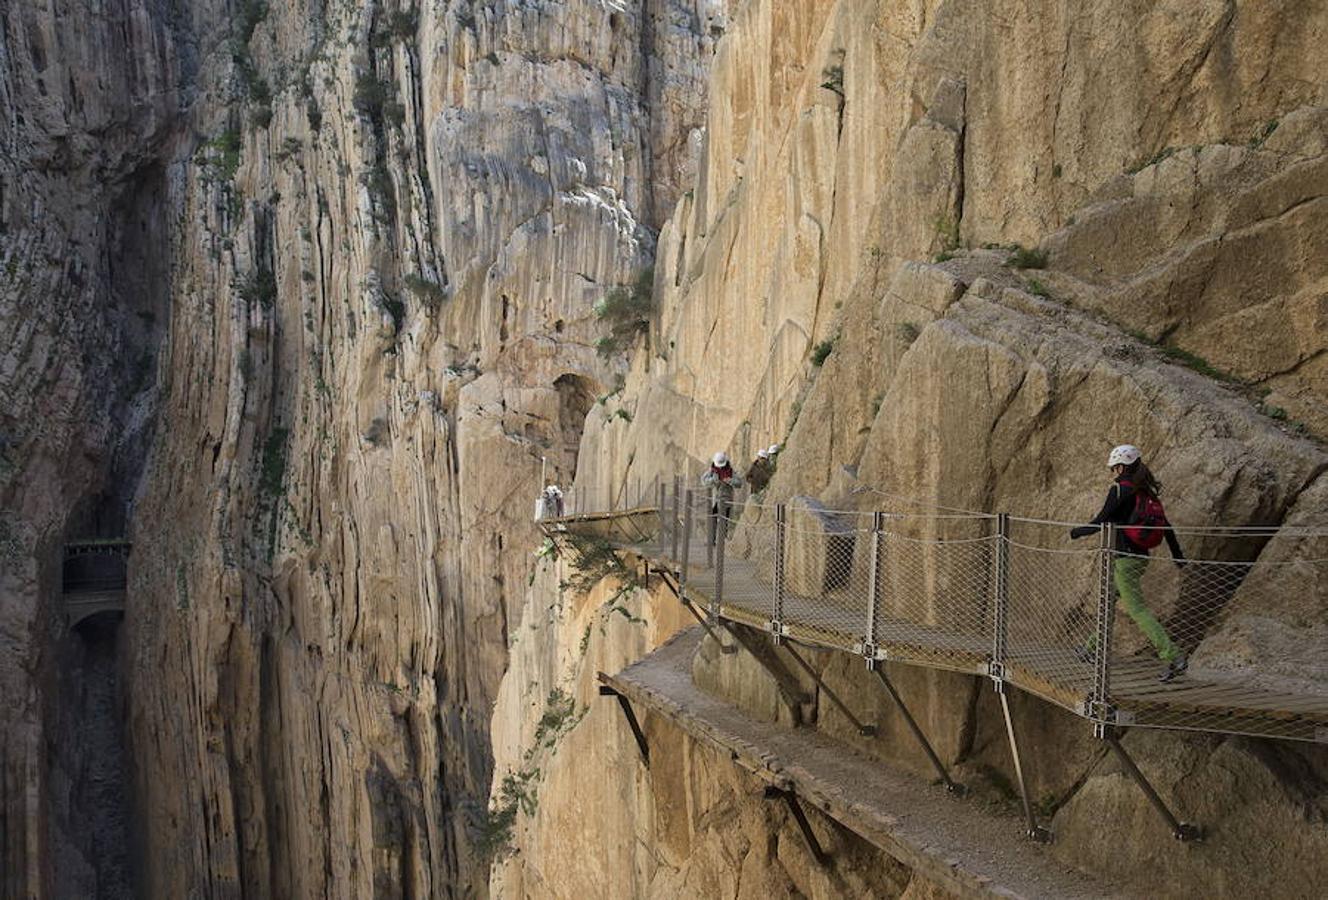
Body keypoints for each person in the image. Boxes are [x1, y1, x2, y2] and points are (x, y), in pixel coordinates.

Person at [1069, 444, 1188, 683]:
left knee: (1137, 609)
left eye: (1114, 468)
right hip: (1140, 557)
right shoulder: (1146, 493)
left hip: (1124, 560)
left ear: (1121, 467)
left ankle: (1173, 655)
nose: (1113, 472)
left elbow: (1101, 520)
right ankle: (1093, 648)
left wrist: (1076, 532)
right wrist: (1178, 557)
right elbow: (1167, 527)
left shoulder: (1120, 491)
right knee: (1107, 601)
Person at [701, 451, 744, 542]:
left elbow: (739, 483)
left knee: (724, 521)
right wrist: (713, 480)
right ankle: (711, 540)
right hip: (715, 501)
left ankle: (722, 541)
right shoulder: (712, 470)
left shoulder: (731, 471)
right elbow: (704, 481)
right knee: (712, 520)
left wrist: (730, 481)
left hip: (726, 501)